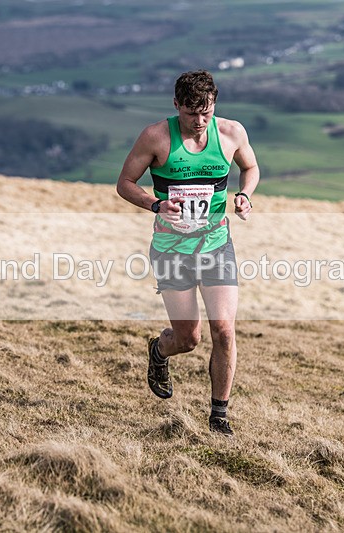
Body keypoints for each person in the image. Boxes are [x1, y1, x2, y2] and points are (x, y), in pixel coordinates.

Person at [116, 70, 259, 436]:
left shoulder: (231, 133)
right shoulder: (156, 137)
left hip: (215, 244)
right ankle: (160, 352)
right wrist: (155, 205)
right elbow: (125, 183)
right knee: (188, 339)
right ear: (176, 105)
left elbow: (250, 167)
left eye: (206, 112)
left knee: (223, 330)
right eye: (191, 113)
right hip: (171, 249)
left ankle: (219, 416)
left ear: (215, 105)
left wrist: (244, 195)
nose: (199, 121)